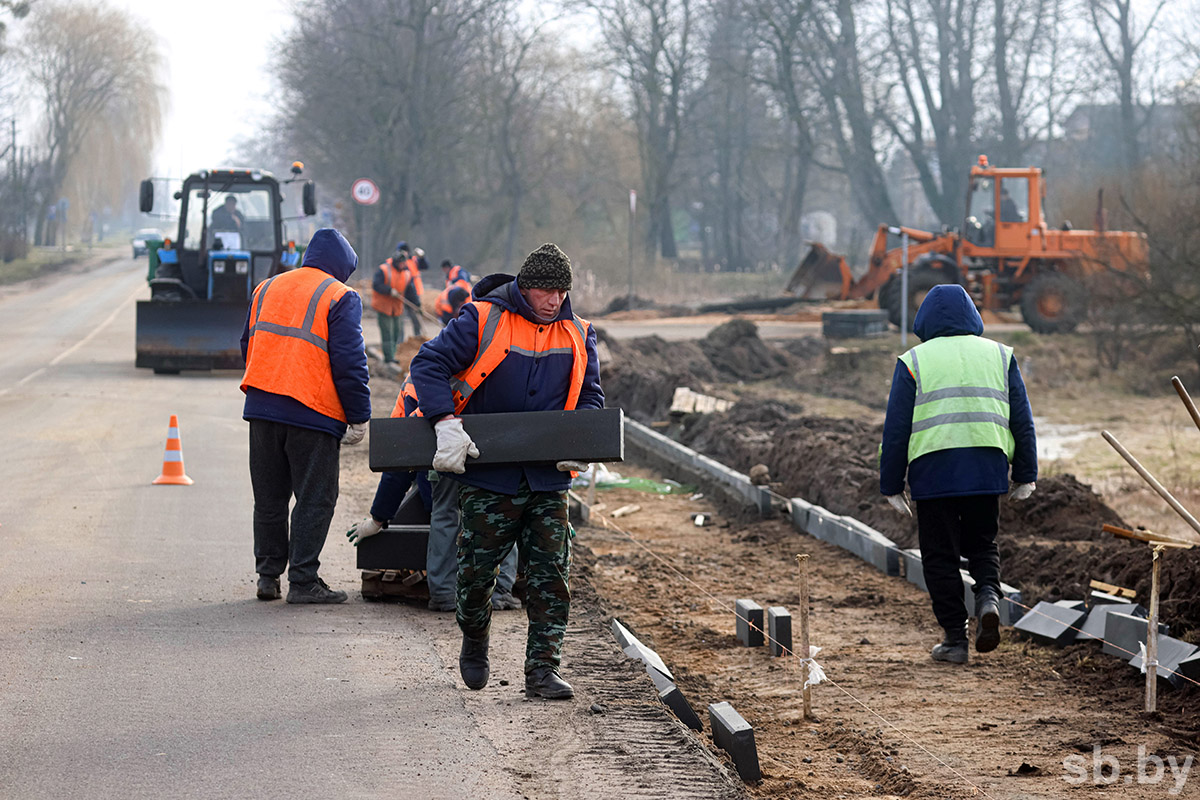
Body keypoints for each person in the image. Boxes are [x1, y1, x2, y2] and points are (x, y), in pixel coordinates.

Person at [408, 242, 603, 699]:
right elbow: (428, 365)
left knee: (552, 574)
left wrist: (581, 439)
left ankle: (542, 669)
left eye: (561, 291)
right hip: (487, 475)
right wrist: (444, 422)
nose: (554, 300)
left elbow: (590, 394)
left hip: (548, 478)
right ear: (523, 287)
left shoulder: (579, 332)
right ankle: (474, 639)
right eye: (544, 290)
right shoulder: (481, 319)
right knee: (477, 575)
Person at [880, 284, 1037, 663]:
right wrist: (1026, 473)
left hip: (934, 473)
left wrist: (891, 483)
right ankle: (987, 599)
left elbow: (896, 427)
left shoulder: (914, 361)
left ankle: (954, 639)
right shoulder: (1000, 356)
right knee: (983, 544)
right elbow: (1022, 419)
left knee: (940, 555)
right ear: (972, 315)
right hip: (987, 468)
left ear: (924, 320)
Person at [240, 228, 371, 604]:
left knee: (269, 496)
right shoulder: (339, 296)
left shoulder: (266, 288)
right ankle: (303, 580)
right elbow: (350, 362)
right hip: (312, 413)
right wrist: (359, 416)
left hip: (261, 410)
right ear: (342, 267)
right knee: (316, 497)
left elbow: (247, 345)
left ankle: (268, 577)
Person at [345, 374, 523, 612]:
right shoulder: (492, 365)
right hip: (488, 454)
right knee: (500, 510)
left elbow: (401, 457)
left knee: (445, 513)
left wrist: (378, 518)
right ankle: (499, 593)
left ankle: (443, 595)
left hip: (441, 463)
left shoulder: (414, 382)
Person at [372, 246, 418, 363]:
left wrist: (418, 304)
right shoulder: (384, 270)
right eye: (401, 263)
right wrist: (388, 290)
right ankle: (389, 358)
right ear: (396, 262)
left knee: (396, 332)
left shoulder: (407, 274)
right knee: (387, 332)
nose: (403, 265)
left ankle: (392, 355)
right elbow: (376, 285)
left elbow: (410, 292)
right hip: (384, 307)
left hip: (397, 308)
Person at [396, 242, 426, 337]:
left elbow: (424, 266)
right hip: (402, 293)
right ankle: (400, 339)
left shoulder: (414, 260)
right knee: (400, 317)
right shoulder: (398, 261)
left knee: (415, 316)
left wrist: (422, 257)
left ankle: (418, 336)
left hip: (414, 292)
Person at [434, 260, 473, 324]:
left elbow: (463, 279)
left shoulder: (458, 271)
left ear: (446, 267)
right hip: (449, 307)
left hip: (461, 296)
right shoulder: (446, 294)